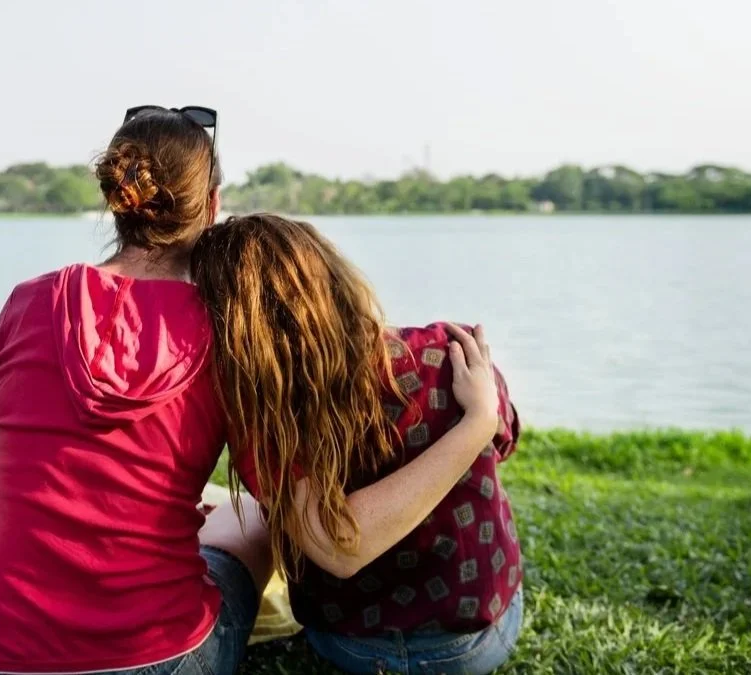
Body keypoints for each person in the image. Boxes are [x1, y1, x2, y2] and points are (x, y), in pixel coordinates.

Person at [0, 107, 273, 675]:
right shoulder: (228, 329)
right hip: (157, 657)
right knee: (254, 522)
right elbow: (280, 497)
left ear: (116, 201)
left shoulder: (27, 302)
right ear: (213, 207)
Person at [190, 214, 523, 675]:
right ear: (330, 274)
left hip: (351, 646)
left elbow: (336, 548)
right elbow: (505, 442)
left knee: (251, 513)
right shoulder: (449, 352)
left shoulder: (265, 419)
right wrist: (477, 422)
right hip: (471, 644)